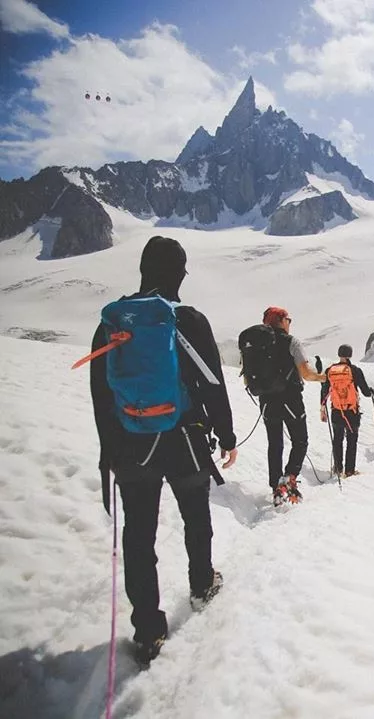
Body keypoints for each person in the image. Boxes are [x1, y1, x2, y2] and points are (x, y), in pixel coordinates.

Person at [86, 236, 238, 666]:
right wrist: (226, 436)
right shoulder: (188, 319)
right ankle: (202, 583)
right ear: (180, 274)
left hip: (131, 443)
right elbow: (212, 385)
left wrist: (110, 449)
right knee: (195, 514)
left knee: (138, 534)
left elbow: (101, 393)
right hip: (185, 438)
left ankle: (148, 630)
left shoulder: (112, 322)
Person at [253, 307, 326, 505]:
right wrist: (323, 377)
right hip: (290, 399)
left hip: (267, 402)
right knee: (300, 440)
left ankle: (276, 486)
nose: (290, 323)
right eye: (289, 319)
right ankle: (290, 477)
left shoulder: (256, 344)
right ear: (282, 320)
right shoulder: (291, 342)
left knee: (275, 443)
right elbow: (306, 373)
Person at [320, 344, 374, 477]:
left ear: (339, 354)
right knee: (351, 440)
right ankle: (349, 470)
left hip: (336, 410)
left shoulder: (330, 370)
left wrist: (322, 408)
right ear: (350, 354)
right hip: (352, 412)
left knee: (337, 440)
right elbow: (365, 392)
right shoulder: (355, 370)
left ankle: (338, 468)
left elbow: (324, 391)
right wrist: (371, 391)